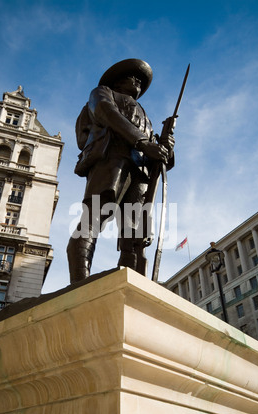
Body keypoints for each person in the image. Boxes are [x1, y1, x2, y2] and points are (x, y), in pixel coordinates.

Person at [67, 58, 175, 283]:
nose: (137, 81)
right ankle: (79, 283)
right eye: (131, 77)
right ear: (117, 82)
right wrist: (143, 143)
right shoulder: (102, 93)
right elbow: (107, 113)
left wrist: (166, 147)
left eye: (140, 80)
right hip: (113, 159)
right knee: (96, 215)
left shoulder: (145, 115)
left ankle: (133, 283)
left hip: (140, 171)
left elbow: (161, 157)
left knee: (135, 233)